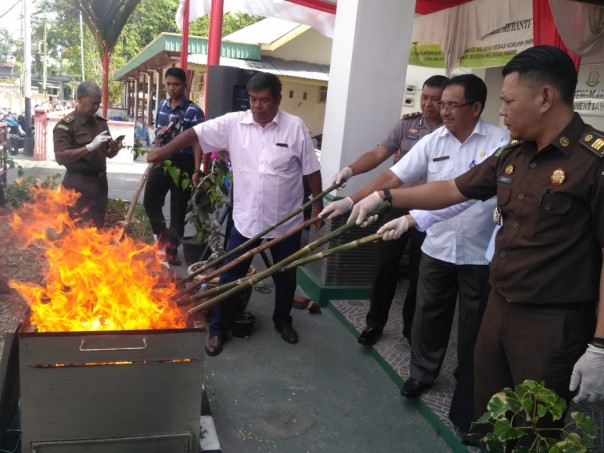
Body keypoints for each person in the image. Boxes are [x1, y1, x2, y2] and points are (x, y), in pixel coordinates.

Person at [349, 45, 604, 439]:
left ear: (545, 98)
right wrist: (386, 198)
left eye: (507, 101)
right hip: (499, 305)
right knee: (492, 411)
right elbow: (452, 189)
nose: (501, 111)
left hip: (552, 323)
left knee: (534, 426)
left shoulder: (593, 162)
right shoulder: (514, 155)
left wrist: (600, 345)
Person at [323, 74, 509, 433]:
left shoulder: (501, 143)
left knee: (476, 324)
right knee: (430, 315)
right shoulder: (432, 140)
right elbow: (393, 177)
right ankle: (423, 373)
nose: (442, 111)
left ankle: (468, 378)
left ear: (475, 108)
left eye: (451, 104)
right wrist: (351, 200)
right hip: (438, 245)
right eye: (441, 104)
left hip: (480, 251)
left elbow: (468, 195)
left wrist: (410, 217)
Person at [148, 72, 323, 357]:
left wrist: (317, 205)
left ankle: (283, 321)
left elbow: (311, 170)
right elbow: (196, 133)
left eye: (265, 100)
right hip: (246, 221)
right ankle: (218, 329)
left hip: (286, 221)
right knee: (231, 276)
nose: (258, 106)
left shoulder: (295, 128)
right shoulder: (234, 124)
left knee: (286, 277)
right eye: (253, 100)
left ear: (278, 99)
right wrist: (164, 151)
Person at [323, 75, 448, 346]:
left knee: (420, 273)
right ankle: (374, 323)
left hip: (431, 212)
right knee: (385, 267)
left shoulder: (451, 133)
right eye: (424, 97)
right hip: (397, 203)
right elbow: (378, 154)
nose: (428, 105)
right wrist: (349, 170)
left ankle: (410, 329)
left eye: (436, 100)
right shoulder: (408, 125)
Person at [143, 67, 205, 266]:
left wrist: (196, 170)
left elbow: (198, 141)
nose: (171, 88)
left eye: (176, 84)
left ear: (184, 86)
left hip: (184, 164)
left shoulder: (194, 111)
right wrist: (154, 154)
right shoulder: (161, 105)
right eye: (168, 84)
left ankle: (171, 251)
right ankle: (163, 241)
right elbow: (159, 135)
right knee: (150, 201)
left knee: (178, 210)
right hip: (162, 163)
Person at [53, 81, 120, 228]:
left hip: (99, 186)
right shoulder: (66, 126)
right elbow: (60, 156)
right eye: (92, 103)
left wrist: (113, 149)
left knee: (97, 229)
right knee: (74, 232)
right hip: (77, 187)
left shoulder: (100, 123)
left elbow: (108, 153)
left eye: (98, 104)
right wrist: (89, 147)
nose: (96, 108)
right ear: (80, 98)